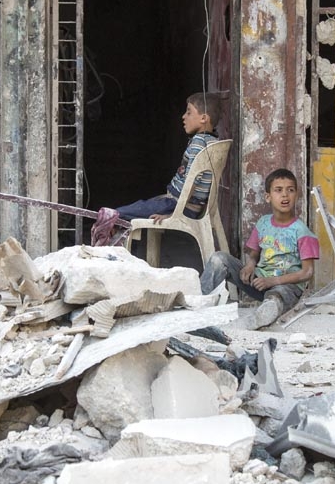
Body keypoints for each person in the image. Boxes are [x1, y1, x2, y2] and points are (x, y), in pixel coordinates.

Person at [200, 168, 319, 329]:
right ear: (268, 197)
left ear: (296, 195)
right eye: (278, 190)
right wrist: (250, 265)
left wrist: (273, 281)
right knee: (219, 259)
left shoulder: (302, 232)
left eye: (290, 190)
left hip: (286, 287)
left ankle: (262, 315)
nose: (285, 195)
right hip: (260, 282)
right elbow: (253, 253)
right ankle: (200, 306)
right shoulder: (263, 223)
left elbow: (307, 273)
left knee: (276, 297)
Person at [114, 93, 219, 222]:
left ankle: (109, 221)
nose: (183, 117)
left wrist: (173, 216)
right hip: (190, 207)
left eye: (189, 112)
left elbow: (193, 179)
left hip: (179, 207)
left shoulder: (199, 141)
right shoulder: (213, 141)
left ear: (203, 118)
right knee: (144, 206)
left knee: (122, 212)